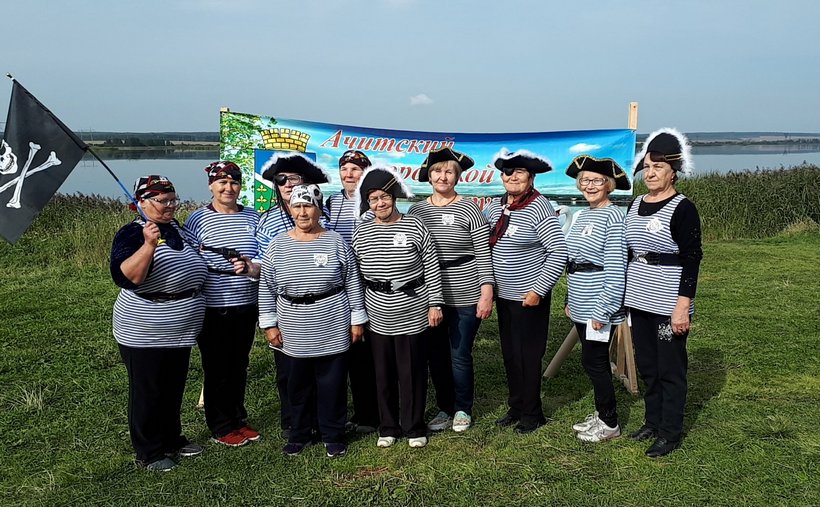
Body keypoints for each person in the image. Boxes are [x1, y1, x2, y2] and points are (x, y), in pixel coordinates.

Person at [258, 184, 368, 458]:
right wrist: (269, 324)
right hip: (293, 326)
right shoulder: (277, 245)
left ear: (319, 210)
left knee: (332, 383)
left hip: (332, 321)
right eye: (297, 206)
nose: (303, 212)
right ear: (290, 209)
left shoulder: (335, 242)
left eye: (308, 206)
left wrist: (357, 319)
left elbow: (352, 281)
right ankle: (300, 433)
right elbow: (266, 287)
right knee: (297, 384)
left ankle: (333, 433)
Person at [110, 176, 208, 471]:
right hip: (144, 328)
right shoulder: (132, 233)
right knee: (148, 389)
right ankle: (149, 451)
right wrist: (149, 245)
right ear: (141, 203)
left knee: (172, 385)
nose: (170, 206)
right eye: (162, 201)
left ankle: (171, 438)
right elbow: (126, 277)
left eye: (173, 200)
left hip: (180, 328)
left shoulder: (178, 229)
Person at [351, 166, 444, 448]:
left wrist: (435, 304)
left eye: (385, 197)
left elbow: (432, 267)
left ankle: (413, 426)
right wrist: (358, 314)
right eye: (373, 199)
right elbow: (354, 275)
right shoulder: (361, 232)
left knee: (412, 371)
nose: (380, 203)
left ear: (394, 197)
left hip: (413, 309)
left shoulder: (415, 226)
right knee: (382, 374)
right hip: (377, 313)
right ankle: (388, 426)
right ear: (368, 203)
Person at [625, 128, 703, 458]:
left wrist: (682, 307)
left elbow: (692, 258)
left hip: (667, 301)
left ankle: (670, 432)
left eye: (659, 166)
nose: (651, 172)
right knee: (648, 366)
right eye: (647, 166)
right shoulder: (634, 204)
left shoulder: (682, 208)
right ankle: (652, 421)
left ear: (673, 170)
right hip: (638, 299)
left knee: (670, 367)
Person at [408, 147, 494, 433]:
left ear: (457, 177)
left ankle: (462, 408)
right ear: (429, 176)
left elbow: (483, 253)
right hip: (428, 294)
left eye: (449, 172)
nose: (442, 176)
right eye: (437, 171)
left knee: (459, 353)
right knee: (436, 354)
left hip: (466, 291)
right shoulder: (417, 210)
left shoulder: (469, 208)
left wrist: (487, 292)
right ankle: (444, 407)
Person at [485, 149, 568, 434]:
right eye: (508, 172)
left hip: (528, 296)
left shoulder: (539, 207)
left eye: (519, 172)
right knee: (510, 353)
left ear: (530, 177)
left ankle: (533, 414)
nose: (513, 177)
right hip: (504, 296)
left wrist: (539, 290)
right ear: (501, 177)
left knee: (529, 355)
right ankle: (516, 405)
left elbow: (558, 251)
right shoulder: (495, 207)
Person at [183, 161, 262, 448]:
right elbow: (189, 259)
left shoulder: (253, 217)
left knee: (239, 364)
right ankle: (220, 425)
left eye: (234, 183)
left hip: (246, 302)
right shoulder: (197, 220)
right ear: (211, 186)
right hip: (213, 305)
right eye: (222, 183)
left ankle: (238, 418)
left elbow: (264, 254)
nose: (229, 188)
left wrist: (251, 266)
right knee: (217, 366)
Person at [257, 152, 330, 439]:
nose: (287, 184)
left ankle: (322, 420)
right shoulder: (268, 221)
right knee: (289, 370)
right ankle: (294, 421)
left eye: (293, 179)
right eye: (281, 179)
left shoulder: (322, 217)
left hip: (322, 308)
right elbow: (265, 271)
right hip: (286, 307)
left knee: (321, 367)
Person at [563, 155, 630, 442]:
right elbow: (574, 260)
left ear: (609, 184)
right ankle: (601, 414)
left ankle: (610, 422)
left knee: (596, 364)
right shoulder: (582, 215)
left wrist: (604, 309)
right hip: (580, 300)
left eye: (596, 180)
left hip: (599, 302)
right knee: (591, 362)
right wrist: (569, 298)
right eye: (585, 180)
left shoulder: (614, 216)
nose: (589, 185)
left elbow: (616, 267)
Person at [326, 150, 380, 434]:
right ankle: (354, 411)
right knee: (347, 348)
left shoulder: (374, 202)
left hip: (369, 282)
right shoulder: (332, 201)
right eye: (345, 169)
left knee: (368, 351)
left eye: (356, 169)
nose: (349, 174)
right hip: (339, 284)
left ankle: (371, 413)